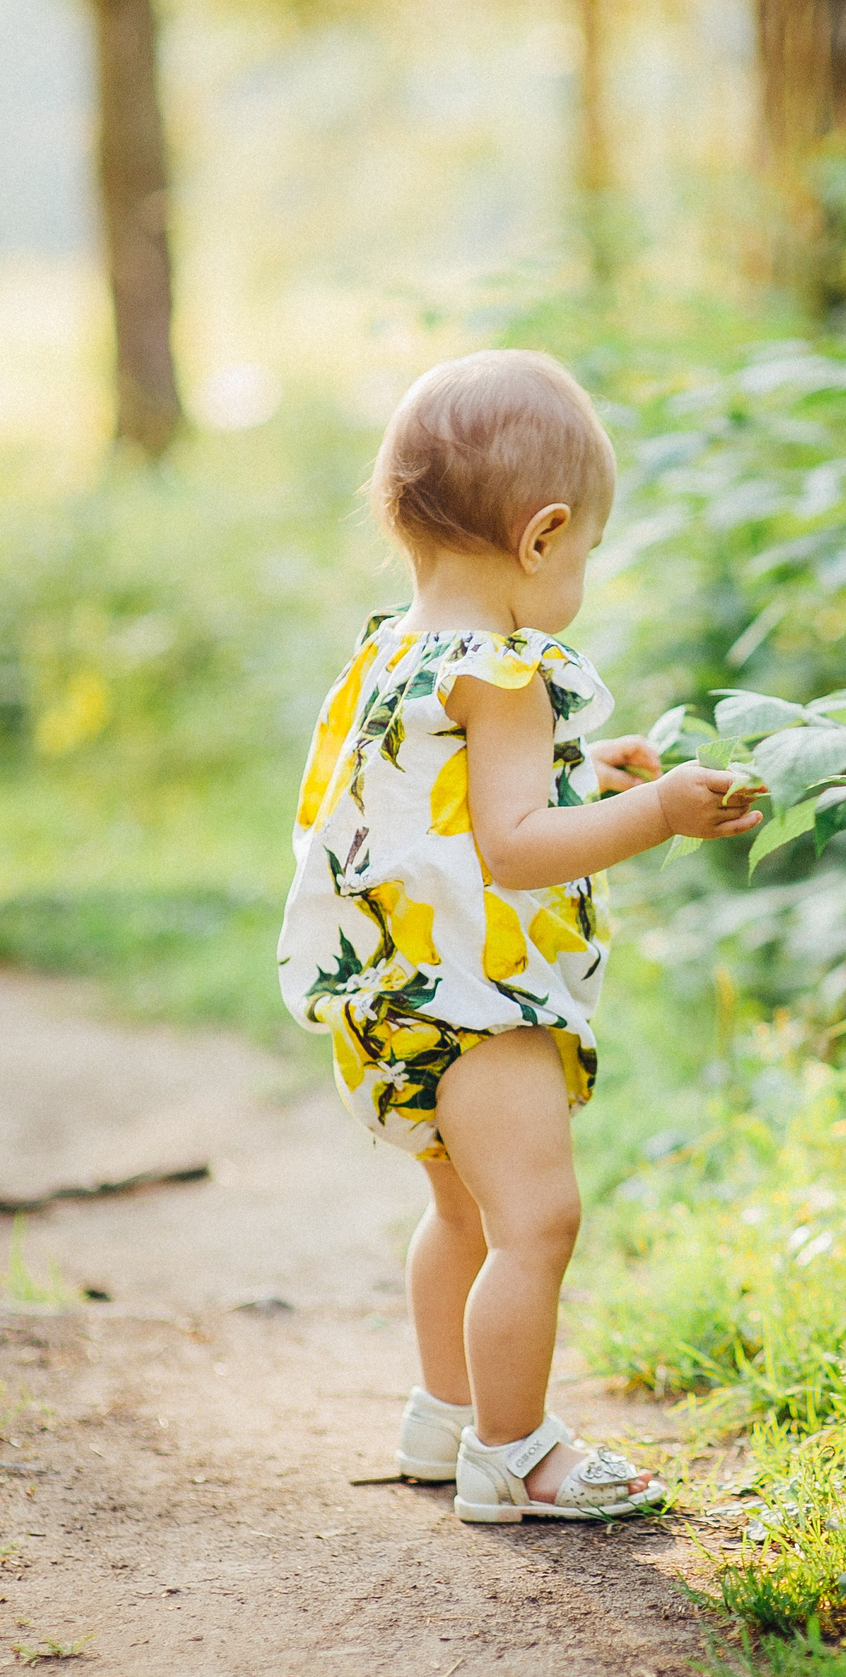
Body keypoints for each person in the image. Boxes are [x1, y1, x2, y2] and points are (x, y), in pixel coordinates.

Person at [278, 349, 762, 1522]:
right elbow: (515, 847)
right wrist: (652, 811)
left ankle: (444, 1417)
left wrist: (581, 765)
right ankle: (518, 1452)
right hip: (481, 1001)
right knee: (538, 1221)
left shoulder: (394, 650)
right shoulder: (509, 671)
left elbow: (438, 802)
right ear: (543, 536)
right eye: (586, 550)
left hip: (396, 993)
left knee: (460, 1213)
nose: (580, 573)